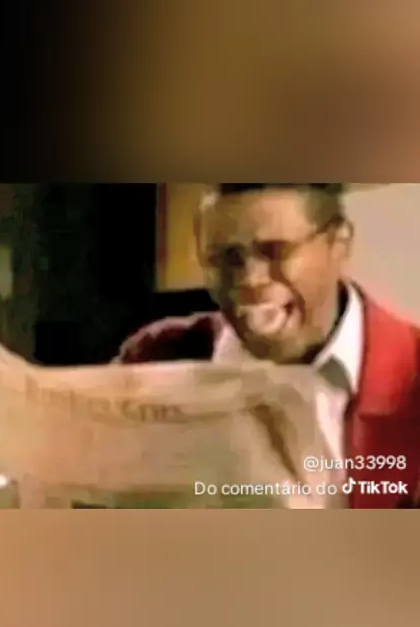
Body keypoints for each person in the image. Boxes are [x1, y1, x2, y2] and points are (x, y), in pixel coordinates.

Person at [115, 184, 420, 509]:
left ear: (339, 244)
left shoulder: (412, 374)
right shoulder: (156, 358)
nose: (250, 279)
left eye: (275, 251)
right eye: (225, 258)